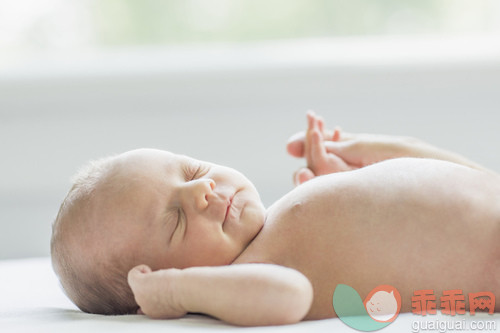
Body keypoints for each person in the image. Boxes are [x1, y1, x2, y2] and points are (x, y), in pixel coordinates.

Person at [51, 111, 500, 326]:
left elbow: (463, 182)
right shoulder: (250, 273)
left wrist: (381, 153)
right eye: (174, 220)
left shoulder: (282, 217)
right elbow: (290, 298)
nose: (202, 192)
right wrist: (177, 292)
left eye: (193, 171)